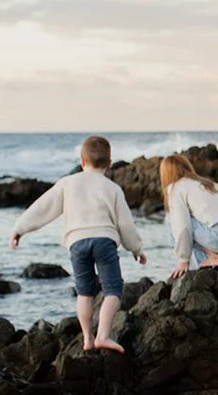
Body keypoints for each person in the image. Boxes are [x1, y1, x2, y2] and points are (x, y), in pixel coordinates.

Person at [10, 135, 147, 353]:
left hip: (77, 243)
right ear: (109, 164)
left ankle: (87, 339)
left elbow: (42, 208)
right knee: (113, 289)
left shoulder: (67, 183)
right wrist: (137, 249)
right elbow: (126, 225)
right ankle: (103, 335)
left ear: (82, 161)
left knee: (85, 293)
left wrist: (19, 229)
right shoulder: (112, 188)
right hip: (104, 241)